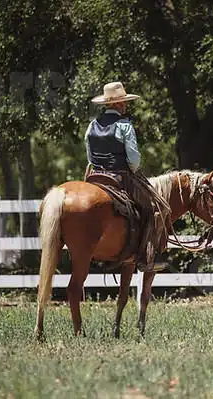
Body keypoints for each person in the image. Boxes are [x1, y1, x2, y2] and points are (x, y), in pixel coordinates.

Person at [85, 81, 171, 271]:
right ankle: (146, 256)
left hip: (96, 176)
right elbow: (133, 158)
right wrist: (134, 168)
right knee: (154, 207)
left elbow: (90, 155)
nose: (125, 105)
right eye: (124, 102)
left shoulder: (92, 125)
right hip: (120, 177)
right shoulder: (124, 125)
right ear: (117, 104)